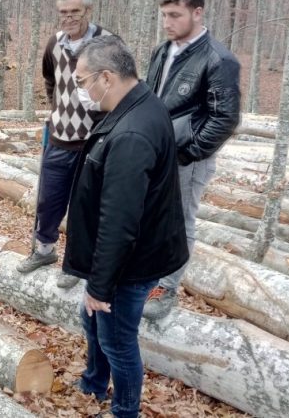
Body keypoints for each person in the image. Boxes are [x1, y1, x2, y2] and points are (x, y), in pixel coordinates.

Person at [62, 35, 189, 418]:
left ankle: (124, 410)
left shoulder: (132, 132)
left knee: (117, 339)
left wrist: (101, 284)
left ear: (106, 77)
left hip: (131, 262)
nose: (81, 90)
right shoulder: (134, 107)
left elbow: (119, 220)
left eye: (83, 81)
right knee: (92, 319)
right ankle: (94, 383)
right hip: (130, 253)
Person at [142, 0, 241, 320]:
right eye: (164, 15)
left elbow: (225, 118)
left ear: (197, 13)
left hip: (188, 157)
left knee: (179, 220)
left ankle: (166, 287)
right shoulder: (163, 51)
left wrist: (189, 153)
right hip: (156, 150)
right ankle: (147, 273)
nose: (167, 22)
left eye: (175, 15)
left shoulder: (218, 59)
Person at [17, 0, 112, 290]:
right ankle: (43, 251)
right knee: (48, 200)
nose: (68, 18)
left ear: (88, 11)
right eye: (63, 13)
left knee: (85, 206)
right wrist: (58, 109)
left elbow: (119, 85)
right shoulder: (54, 43)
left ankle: (77, 264)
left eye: (75, 12)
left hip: (92, 140)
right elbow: (50, 79)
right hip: (59, 137)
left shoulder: (106, 43)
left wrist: (103, 122)